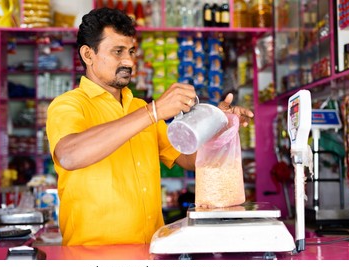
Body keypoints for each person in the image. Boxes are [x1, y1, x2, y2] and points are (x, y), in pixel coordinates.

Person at [46, 7, 254, 246]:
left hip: (152, 250)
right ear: (88, 54)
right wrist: (153, 112)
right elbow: (70, 155)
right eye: (118, 51)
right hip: (92, 256)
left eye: (132, 51)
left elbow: (191, 159)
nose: (129, 61)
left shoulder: (138, 108)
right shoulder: (68, 105)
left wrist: (217, 123)